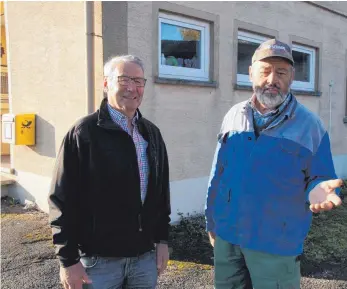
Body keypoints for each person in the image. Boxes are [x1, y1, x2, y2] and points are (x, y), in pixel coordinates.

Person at [205, 39, 344, 289]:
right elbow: (218, 172)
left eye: (281, 72)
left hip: (276, 245)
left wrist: (319, 188)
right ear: (250, 73)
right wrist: (211, 221)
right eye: (265, 70)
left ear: (291, 77)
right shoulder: (233, 115)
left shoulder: (310, 126)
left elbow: (321, 176)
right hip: (228, 238)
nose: (272, 79)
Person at [48, 55, 171, 289]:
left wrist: (162, 239)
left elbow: (161, 193)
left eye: (138, 81)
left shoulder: (151, 134)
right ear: (106, 84)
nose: (132, 88)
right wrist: (68, 260)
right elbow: (61, 199)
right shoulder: (83, 132)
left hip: (144, 258)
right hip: (97, 262)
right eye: (124, 79)